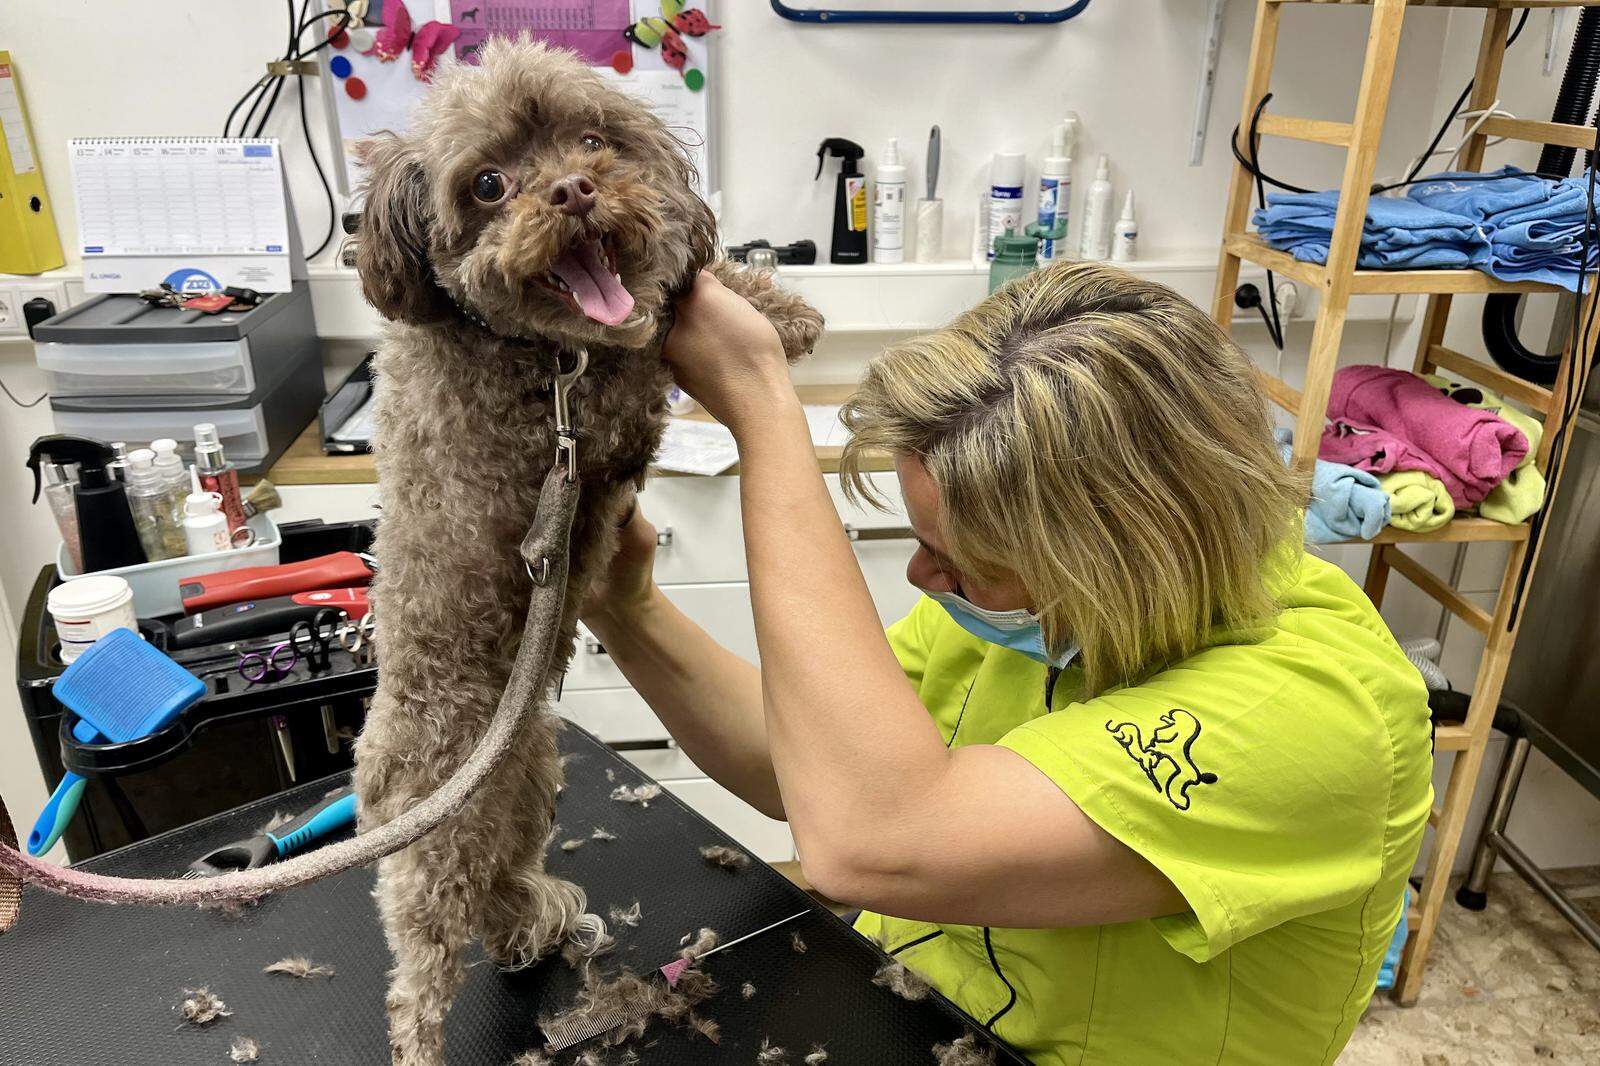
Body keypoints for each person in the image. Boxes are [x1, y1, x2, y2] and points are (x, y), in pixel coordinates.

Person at [581, 261, 1433, 1065]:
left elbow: (869, 841)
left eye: (956, 559)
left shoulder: (1314, 715)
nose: (923, 578)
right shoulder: (1032, 609)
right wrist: (626, 606)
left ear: (1113, 559)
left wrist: (763, 405)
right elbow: (800, 771)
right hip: (911, 1015)